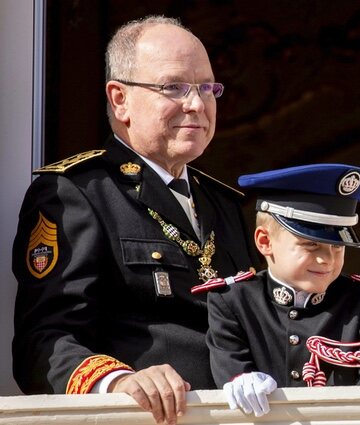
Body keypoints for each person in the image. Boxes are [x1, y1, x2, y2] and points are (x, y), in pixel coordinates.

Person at [12, 15, 255, 425]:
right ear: (120, 99)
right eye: (174, 87)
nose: (197, 104)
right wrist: (118, 383)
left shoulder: (225, 203)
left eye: (207, 88)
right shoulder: (78, 193)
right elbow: (45, 343)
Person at [202, 164, 360, 417]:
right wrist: (241, 378)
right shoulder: (232, 301)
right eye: (311, 244)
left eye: (338, 247)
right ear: (265, 241)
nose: (327, 260)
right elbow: (231, 369)